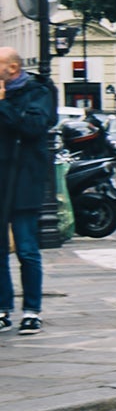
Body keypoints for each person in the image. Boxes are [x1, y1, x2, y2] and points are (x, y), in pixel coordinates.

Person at [0, 48, 58, 333]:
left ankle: (31, 310)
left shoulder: (38, 92)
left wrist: (2, 104)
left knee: (26, 249)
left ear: (12, 68)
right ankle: (2, 307)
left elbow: (34, 127)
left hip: (23, 181)